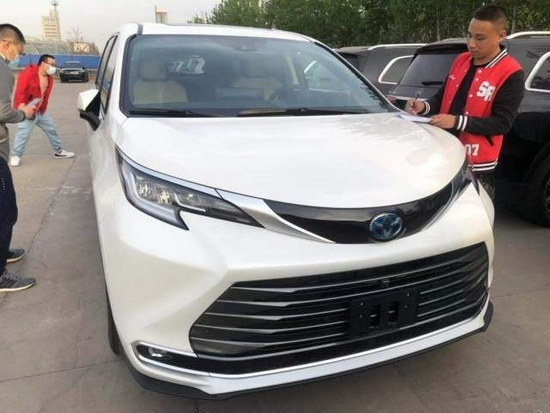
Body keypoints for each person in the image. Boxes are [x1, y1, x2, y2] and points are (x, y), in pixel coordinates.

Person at [406, 5, 524, 199]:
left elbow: (503, 123)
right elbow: (442, 97)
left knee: (473, 214)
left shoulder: (511, 72)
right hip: (443, 152)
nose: (471, 44)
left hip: (477, 165)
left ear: (501, 36)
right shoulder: (461, 60)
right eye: (469, 35)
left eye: (480, 38)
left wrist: (456, 121)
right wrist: (423, 106)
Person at [0, 23, 36, 292]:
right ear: (7, 44)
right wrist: (23, 113)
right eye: (19, 51)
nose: (18, 57)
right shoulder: (2, 69)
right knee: (6, 212)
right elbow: (2, 111)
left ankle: (4, 251)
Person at [9, 53, 74, 167]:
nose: (54, 67)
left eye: (55, 65)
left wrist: (42, 108)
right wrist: (23, 109)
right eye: (52, 64)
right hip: (27, 109)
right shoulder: (28, 74)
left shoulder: (49, 78)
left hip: (40, 110)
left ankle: (59, 151)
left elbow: (44, 95)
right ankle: (16, 156)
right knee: (23, 134)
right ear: (43, 64)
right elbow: (20, 92)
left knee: (51, 128)